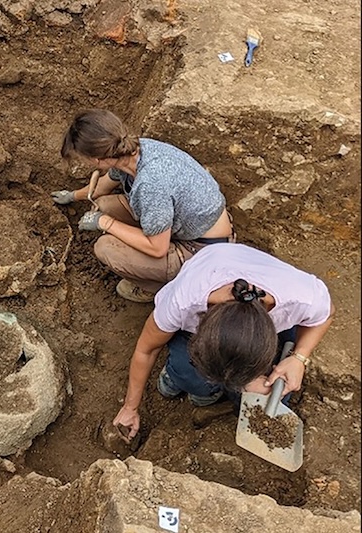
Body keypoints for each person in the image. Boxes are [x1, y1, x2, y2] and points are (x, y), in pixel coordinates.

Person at [111, 243, 335, 441]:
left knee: (276, 396)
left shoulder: (300, 297)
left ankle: (221, 393)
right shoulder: (183, 302)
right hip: (214, 265)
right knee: (193, 379)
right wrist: (130, 407)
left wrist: (298, 358)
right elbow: (146, 350)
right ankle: (179, 376)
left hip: (257, 301)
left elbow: (327, 314)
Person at [52, 109, 235, 303]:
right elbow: (100, 188)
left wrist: (104, 223)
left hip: (204, 251)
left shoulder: (150, 185)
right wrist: (72, 196)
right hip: (188, 224)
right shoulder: (132, 150)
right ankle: (154, 249)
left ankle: (158, 288)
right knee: (104, 205)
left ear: (96, 160)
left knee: (105, 248)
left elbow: (158, 249)